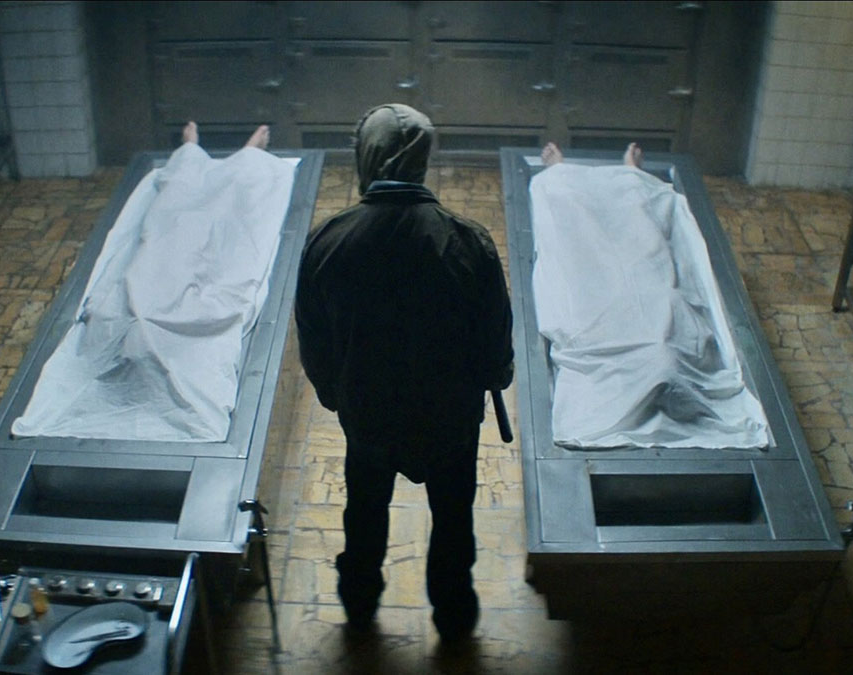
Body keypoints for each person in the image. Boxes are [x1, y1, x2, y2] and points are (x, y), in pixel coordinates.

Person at [294, 104, 514, 641]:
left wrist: (338, 395)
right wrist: (492, 377)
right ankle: (454, 615)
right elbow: (495, 346)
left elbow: (315, 343)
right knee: (454, 519)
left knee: (364, 514)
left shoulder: (329, 241)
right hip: (450, 421)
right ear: (421, 160)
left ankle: (360, 602)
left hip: (368, 417)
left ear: (366, 157)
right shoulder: (469, 241)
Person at [12, 122, 296, 442]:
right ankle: (228, 156)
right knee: (202, 209)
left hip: (167, 265)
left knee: (200, 210)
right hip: (166, 267)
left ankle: (211, 153)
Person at [529, 141, 768, 450]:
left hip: (642, 314)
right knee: (611, 230)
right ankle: (611, 177)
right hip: (638, 316)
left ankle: (588, 176)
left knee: (632, 233)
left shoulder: (658, 365)